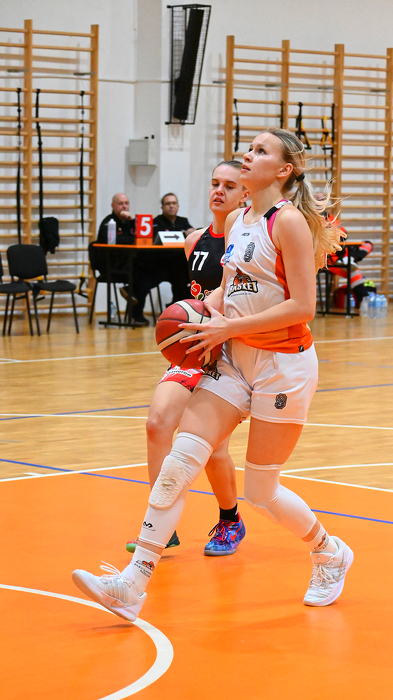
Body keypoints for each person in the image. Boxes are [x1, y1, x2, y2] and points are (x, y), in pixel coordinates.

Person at [72, 128, 353, 623]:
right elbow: (229, 289)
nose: (248, 155)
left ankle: (329, 553)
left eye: (261, 151)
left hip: (283, 367)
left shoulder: (287, 222)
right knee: (179, 462)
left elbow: (303, 306)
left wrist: (229, 325)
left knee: (261, 493)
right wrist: (197, 316)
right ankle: (132, 583)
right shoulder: (239, 220)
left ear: (284, 170)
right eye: (249, 147)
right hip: (235, 360)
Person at [125, 160, 250, 556]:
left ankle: (230, 520)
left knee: (214, 449)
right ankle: (162, 524)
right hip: (193, 351)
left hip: (228, 354)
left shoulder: (249, 239)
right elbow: (194, 299)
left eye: (229, 185)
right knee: (157, 424)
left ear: (245, 194)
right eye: (215, 183)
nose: (219, 191)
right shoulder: (193, 240)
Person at [128, 194, 194, 325]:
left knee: (187, 280)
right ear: (162, 207)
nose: (171, 206)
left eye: (174, 203)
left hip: (178, 265)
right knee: (143, 281)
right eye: (168, 204)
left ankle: (177, 312)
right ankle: (136, 313)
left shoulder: (183, 221)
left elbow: (191, 235)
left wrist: (192, 231)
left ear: (178, 206)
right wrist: (183, 234)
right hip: (159, 264)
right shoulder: (156, 222)